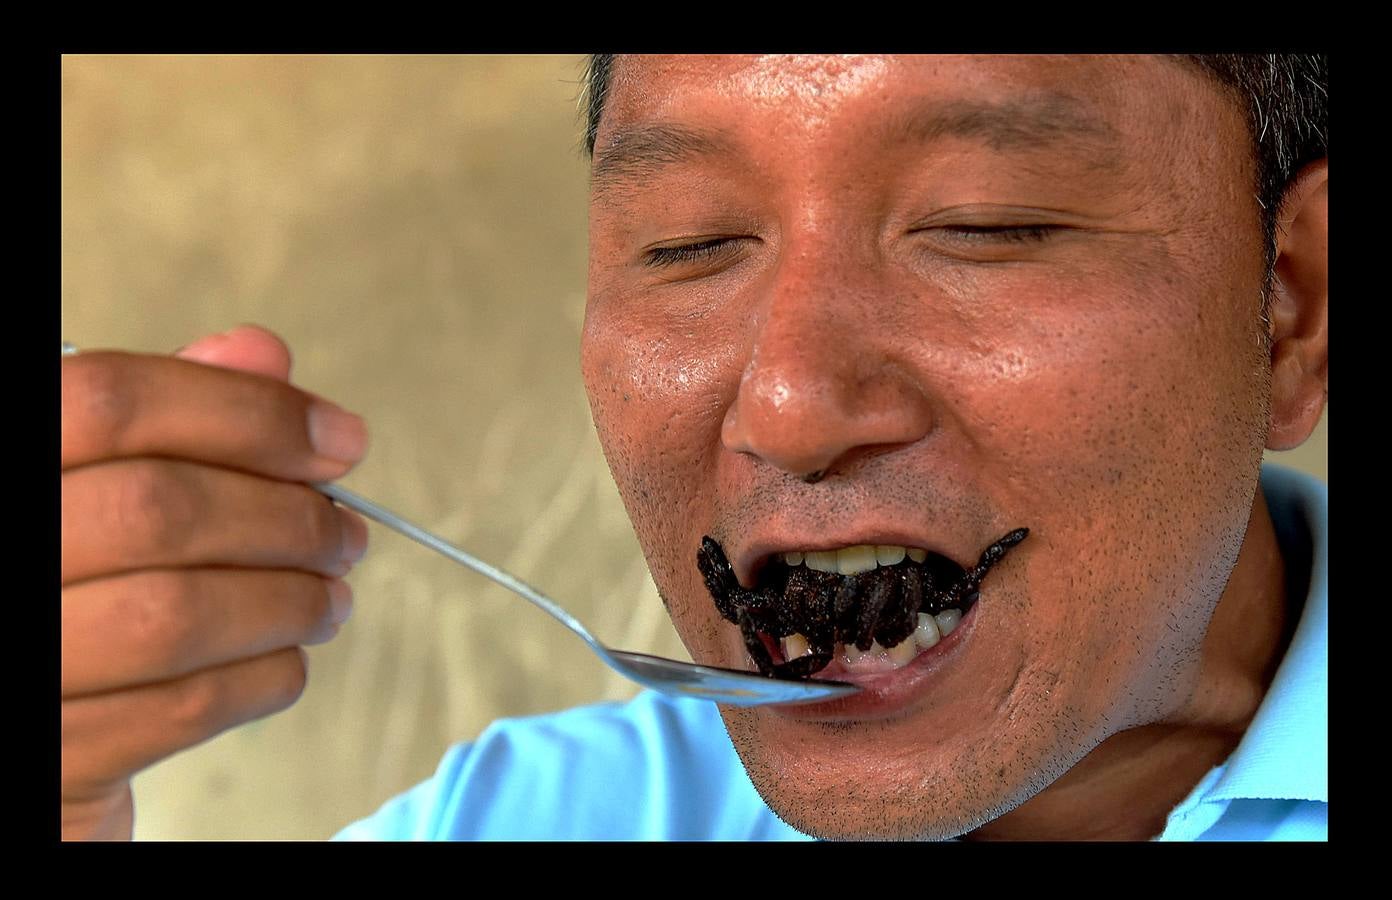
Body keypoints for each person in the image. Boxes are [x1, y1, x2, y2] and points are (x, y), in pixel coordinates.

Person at [61, 54, 1327, 841]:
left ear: (1293, 304)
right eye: (689, 242)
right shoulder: (522, 824)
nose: (788, 406)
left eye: (981, 225)